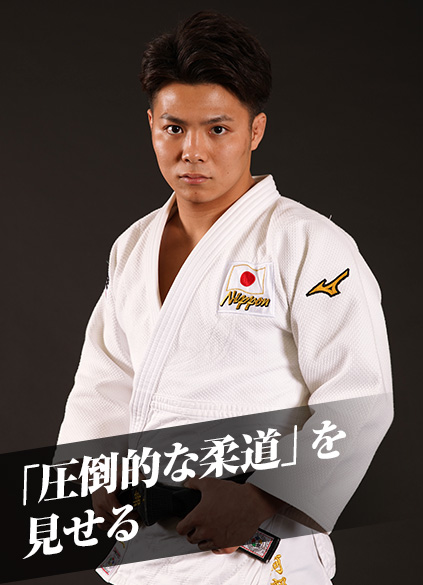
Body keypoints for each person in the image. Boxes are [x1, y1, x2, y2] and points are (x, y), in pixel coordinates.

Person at [56, 10, 393, 585]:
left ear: (254, 131)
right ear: (151, 124)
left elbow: (360, 398)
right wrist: (93, 474)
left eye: (217, 129)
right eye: (174, 128)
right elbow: (105, 377)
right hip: (150, 545)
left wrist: (264, 498)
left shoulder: (308, 244)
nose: (193, 151)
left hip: (255, 551)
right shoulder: (133, 245)